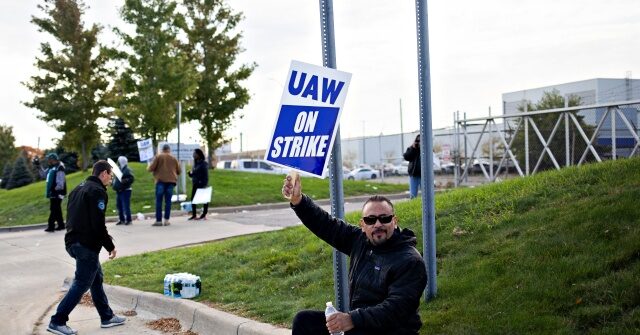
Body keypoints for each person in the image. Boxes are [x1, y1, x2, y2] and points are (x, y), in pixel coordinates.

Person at [282, 174, 427, 335]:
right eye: (371, 220)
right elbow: (326, 225)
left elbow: (395, 309)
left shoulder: (410, 260)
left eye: (384, 218)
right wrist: (298, 201)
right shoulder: (360, 240)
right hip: (361, 324)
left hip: (392, 329)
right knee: (304, 321)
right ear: (363, 225)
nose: (378, 224)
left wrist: (351, 319)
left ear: (395, 221)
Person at [46, 160, 126, 335]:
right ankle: (57, 321)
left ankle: (107, 317)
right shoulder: (97, 191)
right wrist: (110, 246)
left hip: (72, 241)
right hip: (86, 245)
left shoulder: (78, 188)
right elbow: (98, 225)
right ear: (103, 173)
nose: (110, 179)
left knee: (96, 278)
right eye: (110, 175)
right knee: (82, 283)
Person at [147, 144, 181, 226]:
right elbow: (179, 171)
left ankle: (158, 221)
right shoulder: (174, 158)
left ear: (162, 149)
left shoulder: (159, 157)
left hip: (160, 181)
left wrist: (149, 166)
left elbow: (151, 168)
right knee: (168, 202)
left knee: (159, 201)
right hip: (171, 181)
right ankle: (166, 220)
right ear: (169, 150)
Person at [35, 153, 67, 232]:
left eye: (49, 159)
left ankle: (51, 226)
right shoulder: (51, 168)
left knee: (53, 209)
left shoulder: (60, 168)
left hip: (58, 193)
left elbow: (60, 183)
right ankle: (61, 225)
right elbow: (43, 175)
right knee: (57, 209)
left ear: (53, 160)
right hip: (53, 192)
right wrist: (38, 166)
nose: (48, 161)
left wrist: (54, 190)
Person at [187, 148, 209, 220]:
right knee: (193, 199)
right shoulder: (195, 163)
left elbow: (205, 175)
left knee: (204, 199)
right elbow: (194, 174)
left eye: (195, 153)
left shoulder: (203, 164)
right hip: (195, 183)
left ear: (199, 155)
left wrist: (204, 184)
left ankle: (204, 214)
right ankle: (194, 215)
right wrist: (190, 174)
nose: (193, 155)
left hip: (201, 184)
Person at [112, 156, 134, 225]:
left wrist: (125, 181)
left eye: (119, 161)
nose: (118, 162)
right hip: (119, 190)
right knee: (119, 205)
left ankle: (129, 220)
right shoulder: (119, 169)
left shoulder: (127, 169)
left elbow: (131, 178)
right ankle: (122, 219)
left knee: (126, 206)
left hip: (126, 190)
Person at [403, 134, 421, 199]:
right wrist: (413, 148)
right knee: (413, 196)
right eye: (418, 141)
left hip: (424, 176)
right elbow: (406, 157)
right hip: (414, 175)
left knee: (426, 195)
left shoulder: (427, 149)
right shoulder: (412, 148)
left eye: (420, 141)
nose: (419, 143)